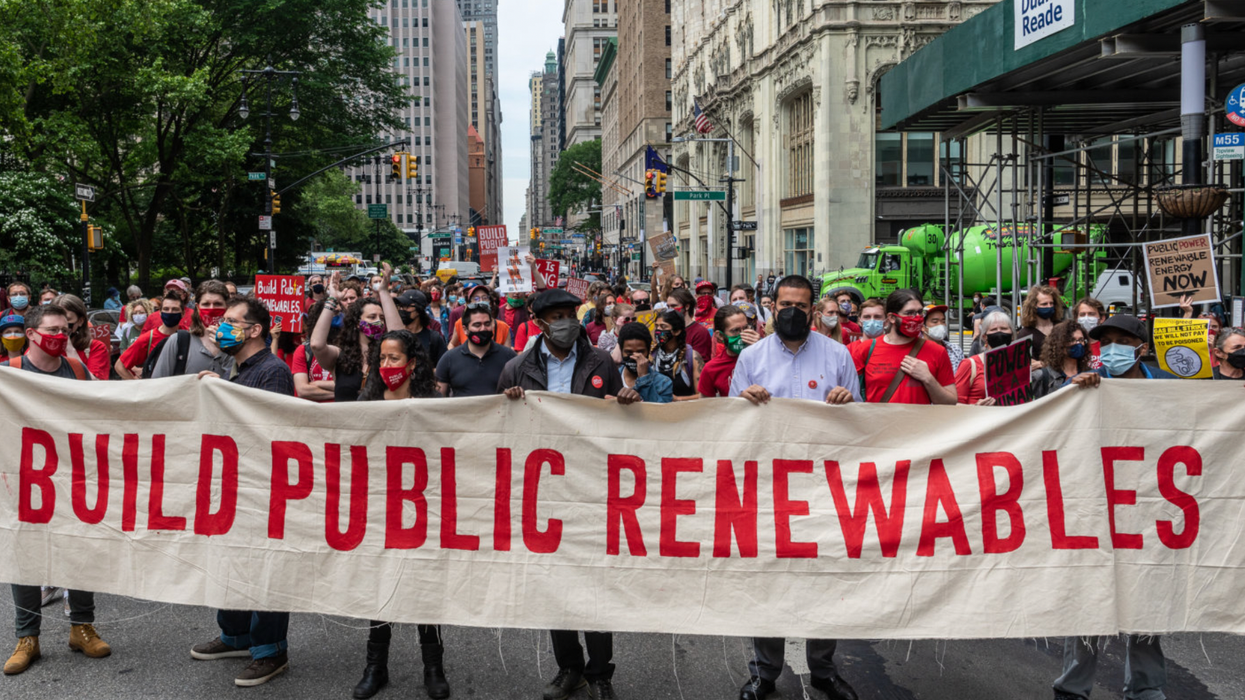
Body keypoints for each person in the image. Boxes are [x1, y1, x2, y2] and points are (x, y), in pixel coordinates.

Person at [497, 289, 640, 700]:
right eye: (555, 316)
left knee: (594, 582)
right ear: (539, 323)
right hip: (543, 491)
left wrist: (630, 398)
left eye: (569, 314)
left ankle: (600, 672)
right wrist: (508, 404)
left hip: (593, 486)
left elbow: (621, 417)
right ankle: (569, 668)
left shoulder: (600, 363)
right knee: (554, 584)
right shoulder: (517, 368)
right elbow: (499, 432)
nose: (565, 321)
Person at [728, 275, 859, 700]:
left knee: (824, 582)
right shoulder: (751, 358)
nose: (792, 312)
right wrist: (743, 402)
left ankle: (823, 670)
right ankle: (764, 673)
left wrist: (846, 402)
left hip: (823, 490)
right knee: (767, 582)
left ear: (814, 310)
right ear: (773, 306)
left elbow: (859, 426)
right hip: (767, 490)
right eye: (785, 304)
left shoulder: (838, 356)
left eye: (801, 306)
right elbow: (729, 424)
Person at [1050, 314, 1169, 700]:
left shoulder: (1171, 388)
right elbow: (1055, 427)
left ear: (1142, 348)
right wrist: (1073, 389)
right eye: (1108, 340)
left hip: (1151, 510)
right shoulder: (1091, 385)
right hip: (1098, 507)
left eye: (1123, 340)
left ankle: (1146, 686)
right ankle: (1072, 686)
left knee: (1146, 602)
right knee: (1090, 598)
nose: (1114, 348)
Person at [190, 297, 294, 688]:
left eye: (232, 321)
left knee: (263, 569)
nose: (222, 326)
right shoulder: (235, 367)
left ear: (255, 330)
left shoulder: (274, 371)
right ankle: (235, 635)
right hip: (234, 484)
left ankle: (270, 650)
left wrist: (228, 396)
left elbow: (271, 429)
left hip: (263, 489)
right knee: (231, 562)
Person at [3, 305, 108, 677]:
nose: (61, 335)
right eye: (52, 330)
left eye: (65, 329)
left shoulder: (76, 370)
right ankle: (27, 637)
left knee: (79, 548)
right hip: (23, 482)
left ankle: (82, 627)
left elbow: (111, 409)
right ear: (30, 334)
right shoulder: (9, 374)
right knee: (25, 555)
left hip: (72, 478)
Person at [352, 329, 450, 700]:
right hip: (380, 504)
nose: (387, 366)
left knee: (425, 587)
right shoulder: (368, 401)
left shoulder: (434, 404)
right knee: (381, 588)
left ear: (412, 363)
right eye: (381, 359)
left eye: (394, 358)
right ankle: (375, 667)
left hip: (424, 507)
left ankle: (433, 667)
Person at [851, 289, 956, 405]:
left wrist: (928, 379)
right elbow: (852, 394)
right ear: (891, 318)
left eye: (919, 312)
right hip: (879, 422)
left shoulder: (937, 351)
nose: (916, 317)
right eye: (909, 313)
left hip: (920, 422)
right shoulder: (866, 349)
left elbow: (950, 402)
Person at [311, 280, 385, 402]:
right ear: (357, 323)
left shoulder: (387, 356)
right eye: (372, 317)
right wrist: (332, 299)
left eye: (382, 318)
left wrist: (384, 292)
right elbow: (316, 344)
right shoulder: (339, 355)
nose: (379, 322)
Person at [148, 280, 233, 379]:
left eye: (217, 304)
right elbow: (158, 383)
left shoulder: (238, 345)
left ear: (227, 306)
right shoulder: (178, 341)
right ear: (197, 307)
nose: (211, 309)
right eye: (206, 304)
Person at [435, 301, 516, 397]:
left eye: (487, 324)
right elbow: (439, 399)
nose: (483, 329)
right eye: (477, 325)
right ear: (465, 329)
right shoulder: (449, 359)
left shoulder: (509, 357)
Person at [377, 265, 448, 366]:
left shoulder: (433, 338)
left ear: (419, 310)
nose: (402, 310)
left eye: (406, 306)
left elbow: (443, 368)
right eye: (400, 306)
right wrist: (383, 290)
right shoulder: (395, 335)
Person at [115, 291, 184, 380]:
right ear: (160, 313)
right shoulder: (148, 338)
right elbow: (120, 366)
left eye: (175, 309)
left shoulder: (189, 335)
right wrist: (138, 386)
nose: (170, 312)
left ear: (183, 313)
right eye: (166, 309)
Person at [954, 310, 1015, 405]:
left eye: (1004, 328)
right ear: (984, 337)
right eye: (994, 330)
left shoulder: (1020, 363)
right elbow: (954, 404)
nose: (999, 332)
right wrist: (975, 407)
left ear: (1012, 335)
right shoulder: (969, 365)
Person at [698, 305, 757, 398]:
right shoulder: (711, 369)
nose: (742, 334)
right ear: (720, 336)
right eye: (735, 330)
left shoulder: (762, 357)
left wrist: (761, 349)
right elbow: (705, 406)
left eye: (746, 328)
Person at [51, 294, 110, 380]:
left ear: (80, 321)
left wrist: (70, 350)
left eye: (67, 319)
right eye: (55, 319)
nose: (61, 324)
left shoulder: (96, 347)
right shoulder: (44, 344)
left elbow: (94, 385)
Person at [653, 310, 703, 401]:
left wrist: (678, 399)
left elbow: (702, 395)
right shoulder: (650, 355)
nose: (658, 330)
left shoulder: (692, 357)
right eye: (656, 326)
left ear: (677, 331)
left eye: (663, 326)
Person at [617, 322, 672, 403]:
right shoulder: (612, 378)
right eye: (629, 352)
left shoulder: (663, 383)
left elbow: (662, 413)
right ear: (621, 351)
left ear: (648, 351)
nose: (635, 357)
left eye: (640, 352)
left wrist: (643, 378)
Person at [291, 301, 336, 401]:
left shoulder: (348, 349)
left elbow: (355, 385)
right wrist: (340, 392)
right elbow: (302, 390)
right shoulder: (303, 350)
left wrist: (317, 383)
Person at [1016, 284, 1065, 367]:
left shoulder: (1062, 327)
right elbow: (1026, 363)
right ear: (1034, 306)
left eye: (1051, 303)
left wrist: (1041, 364)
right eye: (1044, 304)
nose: (1049, 306)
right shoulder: (1025, 334)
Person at [665, 287, 713, 359]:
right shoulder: (667, 330)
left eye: (673, 306)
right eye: (668, 306)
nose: (670, 310)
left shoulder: (700, 332)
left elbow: (700, 363)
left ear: (687, 306)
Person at [922, 304, 962, 372]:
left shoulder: (955, 350)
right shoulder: (917, 350)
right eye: (935, 322)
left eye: (943, 321)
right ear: (923, 326)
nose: (940, 325)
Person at [1071, 297, 1107, 369]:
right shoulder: (1071, 344)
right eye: (1082, 314)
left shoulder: (1108, 344)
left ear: (1102, 318)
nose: (1086, 318)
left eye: (1091, 314)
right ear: (1076, 319)